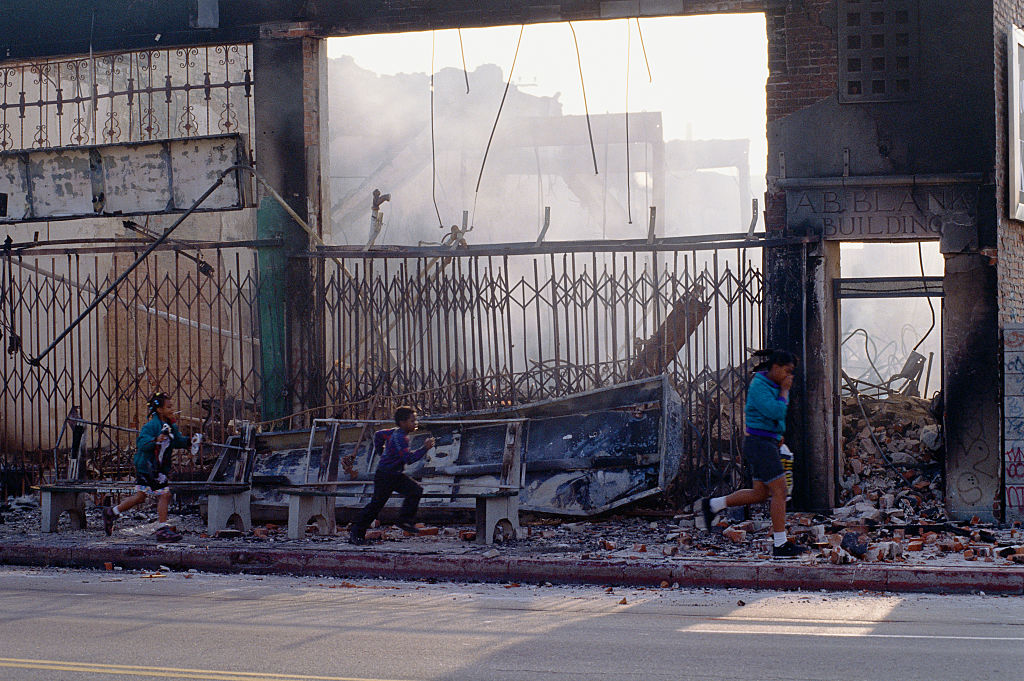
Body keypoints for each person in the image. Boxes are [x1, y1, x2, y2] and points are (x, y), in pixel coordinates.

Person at [699, 349, 805, 558]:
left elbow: (773, 417)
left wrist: (777, 435)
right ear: (775, 367)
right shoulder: (760, 385)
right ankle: (780, 544)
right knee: (780, 492)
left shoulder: (771, 384)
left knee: (760, 493)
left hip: (765, 442)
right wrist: (784, 393)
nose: (789, 377)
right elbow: (775, 411)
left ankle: (712, 505)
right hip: (760, 444)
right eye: (786, 371)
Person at [103, 391, 190, 539]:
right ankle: (162, 529)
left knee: (140, 497)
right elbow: (142, 444)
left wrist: (190, 441)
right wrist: (156, 440)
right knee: (164, 494)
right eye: (168, 407)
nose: (172, 409)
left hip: (156, 468)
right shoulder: (151, 426)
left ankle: (112, 512)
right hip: (148, 467)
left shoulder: (170, 425)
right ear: (159, 409)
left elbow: (177, 441)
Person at [349, 406, 435, 544]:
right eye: (412, 421)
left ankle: (405, 520)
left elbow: (378, 435)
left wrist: (381, 452)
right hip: (386, 476)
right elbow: (408, 459)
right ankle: (356, 532)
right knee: (376, 505)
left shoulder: (393, 432)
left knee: (415, 490)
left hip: (393, 474)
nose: (415, 423)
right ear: (402, 422)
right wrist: (425, 448)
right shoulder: (401, 438)